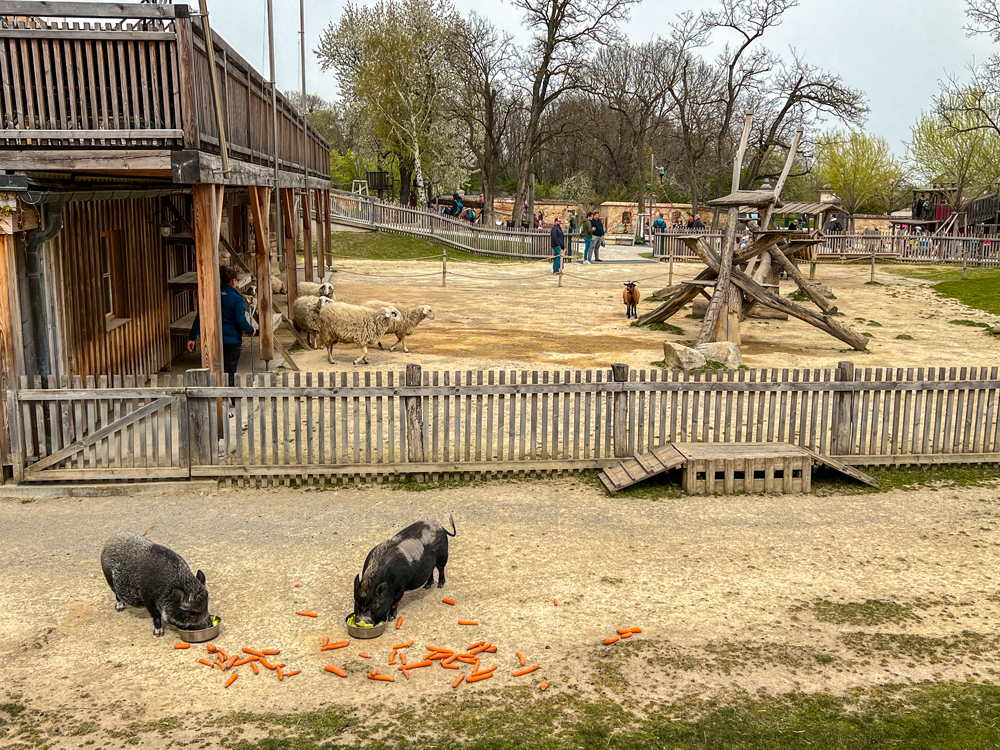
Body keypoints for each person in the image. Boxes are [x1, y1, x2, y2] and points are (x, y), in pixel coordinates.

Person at [187, 265, 257, 388]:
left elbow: (200, 317)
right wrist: (251, 329)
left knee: (214, 369)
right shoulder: (237, 299)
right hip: (232, 340)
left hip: (213, 339)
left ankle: (216, 395)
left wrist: (192, 337)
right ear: (234, 281)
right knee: (229, 370)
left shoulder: (211, 296)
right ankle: (231, 397)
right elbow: (240, 320)